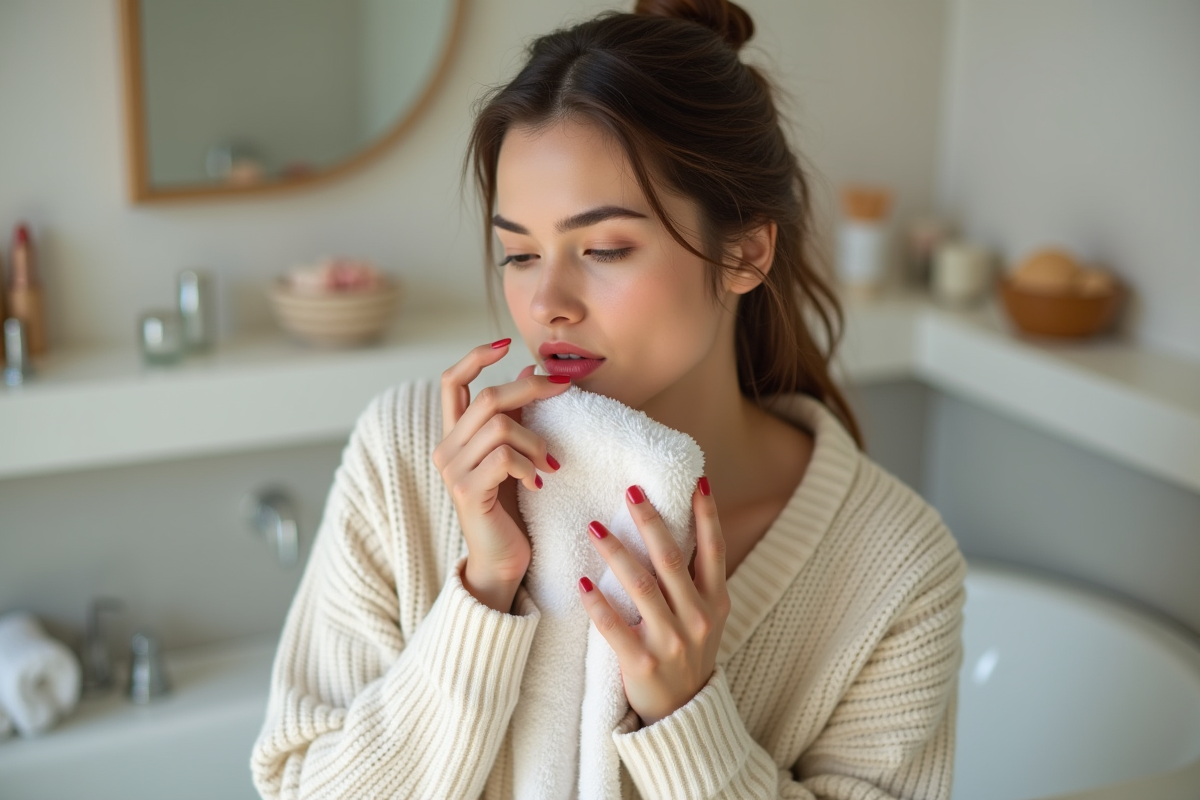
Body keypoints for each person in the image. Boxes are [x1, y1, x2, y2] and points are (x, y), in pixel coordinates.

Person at [250, 1, 966, 798]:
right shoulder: (407, 454)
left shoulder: (894, 568)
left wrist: (687, 718)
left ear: (744, 252)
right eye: (518, 254)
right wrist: (483, 594)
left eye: (604, 249)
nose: (546, 302)